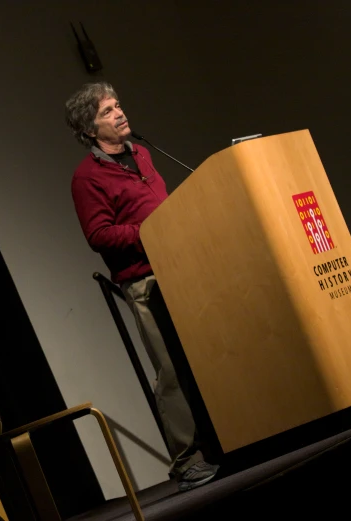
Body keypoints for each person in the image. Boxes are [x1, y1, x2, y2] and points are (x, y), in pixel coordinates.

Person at [65, 82, 219, 491]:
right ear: (90, 128)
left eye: (118, 106)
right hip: (143, 281)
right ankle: (187, 462)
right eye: (108, 111)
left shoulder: (144, 154)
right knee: (170, 369)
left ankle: (224, 439)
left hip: (181, 268)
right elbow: (98, 235)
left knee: (207, 356)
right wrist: (150, 231)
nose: (119, 113)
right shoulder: (87, 178)